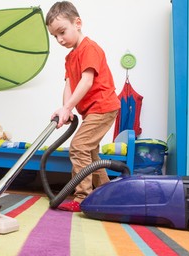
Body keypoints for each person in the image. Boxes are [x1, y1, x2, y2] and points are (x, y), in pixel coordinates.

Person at [45, 1, 121, 212]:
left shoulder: (90, 48)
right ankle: (109, 195)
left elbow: (86, 82)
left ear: (77, 23)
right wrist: (65, 110)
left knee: (79, 147)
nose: (59, 39)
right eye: (55, 36)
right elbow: (69, 85)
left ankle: (82, 199)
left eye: (62, 32)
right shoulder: (70, 58)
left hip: (104, 106)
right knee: (91, 155)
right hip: (92, 111)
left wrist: (68, 107)